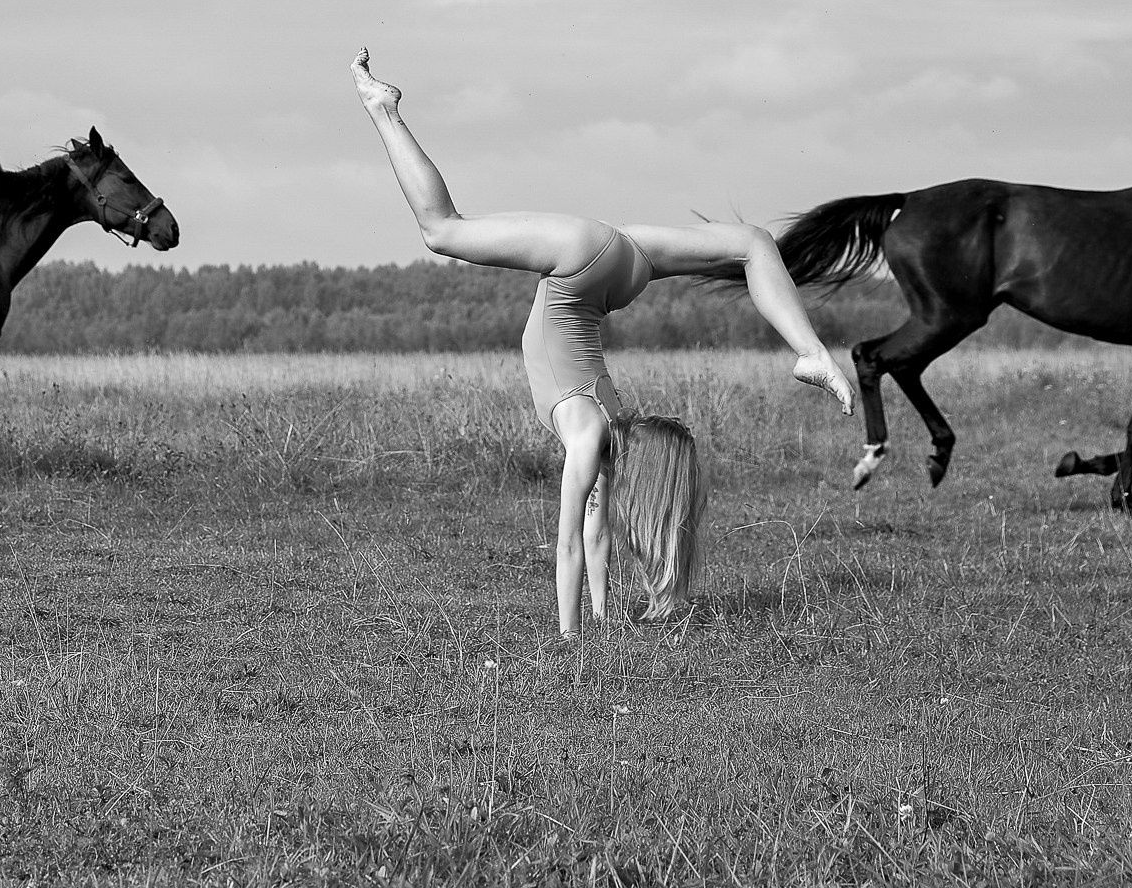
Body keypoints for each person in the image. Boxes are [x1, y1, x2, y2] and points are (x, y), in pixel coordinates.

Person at [351, 50, 854, 635]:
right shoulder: (595, 429)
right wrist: (572, 644)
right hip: (584, 263)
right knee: (443, 230)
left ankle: (813, 353)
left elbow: (590, 531)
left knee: (751, 243)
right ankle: (383, 109)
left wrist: (595, 619)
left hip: (618, 266)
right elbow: (569, 543)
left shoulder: (609, 425)